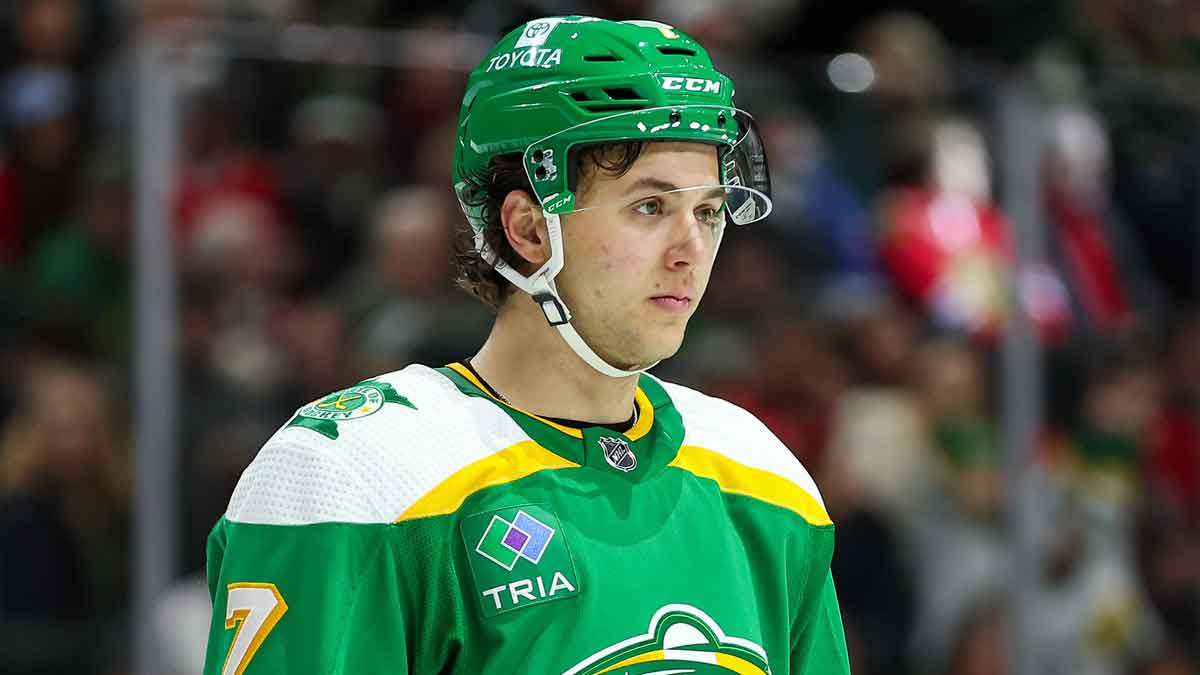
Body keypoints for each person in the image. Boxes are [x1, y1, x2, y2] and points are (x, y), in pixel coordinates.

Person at [203, 15, 850, 674]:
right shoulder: (356, 475)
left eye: (708, 212)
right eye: (650, 208)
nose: (692, 251)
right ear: (528, 227)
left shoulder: (764, 479)